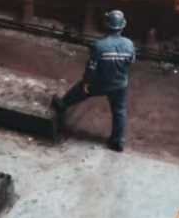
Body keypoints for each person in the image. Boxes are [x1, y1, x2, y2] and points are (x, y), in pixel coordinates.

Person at [51, 10, 136, 152]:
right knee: (120, 111)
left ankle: (62, 104)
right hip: (120, 85)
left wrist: (86, 83)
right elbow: (130, 62)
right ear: (122, 27)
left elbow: (91, 69)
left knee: (79, 90)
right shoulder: (129, 44)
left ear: (107, 26)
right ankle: (118, 142)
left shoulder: (99, 46)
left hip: (100, 84)